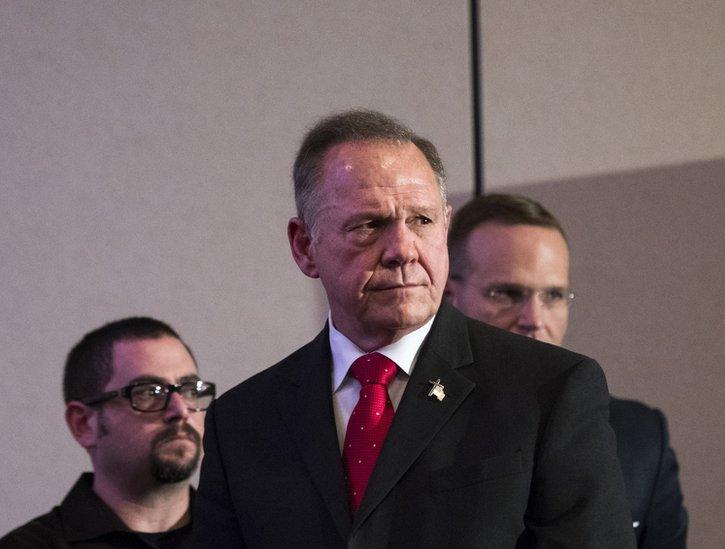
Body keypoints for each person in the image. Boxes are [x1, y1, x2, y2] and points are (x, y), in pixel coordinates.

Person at [192, 110, 635, 548]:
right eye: (369, 225)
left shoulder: (547, 390)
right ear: (305, 246)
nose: (403, 250)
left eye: (421, 221)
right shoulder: (242, 424)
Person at [446, 193, 689, 548]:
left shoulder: (641, 438)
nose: (535, 319)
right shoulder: (412, 427)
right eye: (507, 294)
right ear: (450, 296)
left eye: (554, 296)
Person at [0, 317, 215, 549]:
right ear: (84, 424)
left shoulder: (244, 535)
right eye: (149, 392)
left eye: (190, 390)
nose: (180, 410)